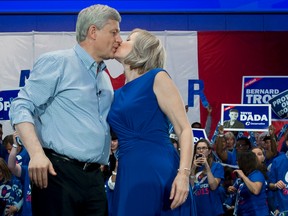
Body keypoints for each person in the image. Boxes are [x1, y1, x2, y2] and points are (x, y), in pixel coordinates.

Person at [9, 4, 122, 216]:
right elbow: (21, 105)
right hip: (57, 175)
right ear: (93, 31)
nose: (119, 39)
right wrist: (36, 154)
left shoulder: (105, 78)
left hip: (95, 178)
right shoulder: (58, 62)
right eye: (114, 32)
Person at [107, 28, 195, 215]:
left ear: (142, 49)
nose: (121, 41)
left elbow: (184, 129)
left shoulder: (157, 77)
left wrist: (183, 175)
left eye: (129, 39)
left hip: (157, 168)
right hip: (128, 171)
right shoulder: (116, 93)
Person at [190, 139, 224, 216]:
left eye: (204, 148)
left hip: (213, 211)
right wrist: (193, 169)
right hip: (197, 210)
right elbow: (191, 188)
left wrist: (207, 167)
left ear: (209, 151)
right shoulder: (191, 167)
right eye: (198, 148)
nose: (201, 150)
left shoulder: (217, 166)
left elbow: (213, 186)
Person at [233, 151, 269, 215]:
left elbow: (256, 190)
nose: (237, 163)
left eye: (239, 161)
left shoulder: (257, 174)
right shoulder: (248, 176)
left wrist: (243, 176)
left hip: (257, 213)